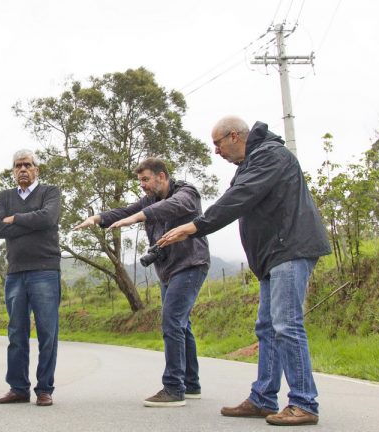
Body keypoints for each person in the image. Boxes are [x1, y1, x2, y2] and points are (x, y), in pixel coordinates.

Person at [158, 117, 331, 426]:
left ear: (234, 136)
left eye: (218, 144)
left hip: (290, 248)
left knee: (286, 324)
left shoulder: (270, 155)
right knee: (267, 327)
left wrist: (195, 226)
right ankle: (263, 398)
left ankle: (304, 402)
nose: (216, 151)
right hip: (272, 255)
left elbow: (238, 198)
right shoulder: (251, 163)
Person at [73, 157, 210, 407]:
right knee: (182, 324)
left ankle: (173, 388)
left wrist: (137, 218)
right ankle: (191, 384)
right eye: (140, 181)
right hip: (167, 270)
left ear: (162, 176)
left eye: (146, 180)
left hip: (190, 264)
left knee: (172, 321)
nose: (143, 185)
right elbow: (125, 211)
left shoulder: (186, 192)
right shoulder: (149, 200)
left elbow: (169, 207)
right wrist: (97, 218)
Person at [0, 149, 61, 407]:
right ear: (13, 171)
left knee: (47, 332)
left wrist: (15, 219)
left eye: (27, 165)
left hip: (45, 269)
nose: (23, 169)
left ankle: (44, 389)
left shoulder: (50, 192)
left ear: (36, 169)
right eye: (18, 165)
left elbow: (48, 217)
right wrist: (31, 222)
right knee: (16, 333)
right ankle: (18, 388)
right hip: (15, 272)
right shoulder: (5, 196)